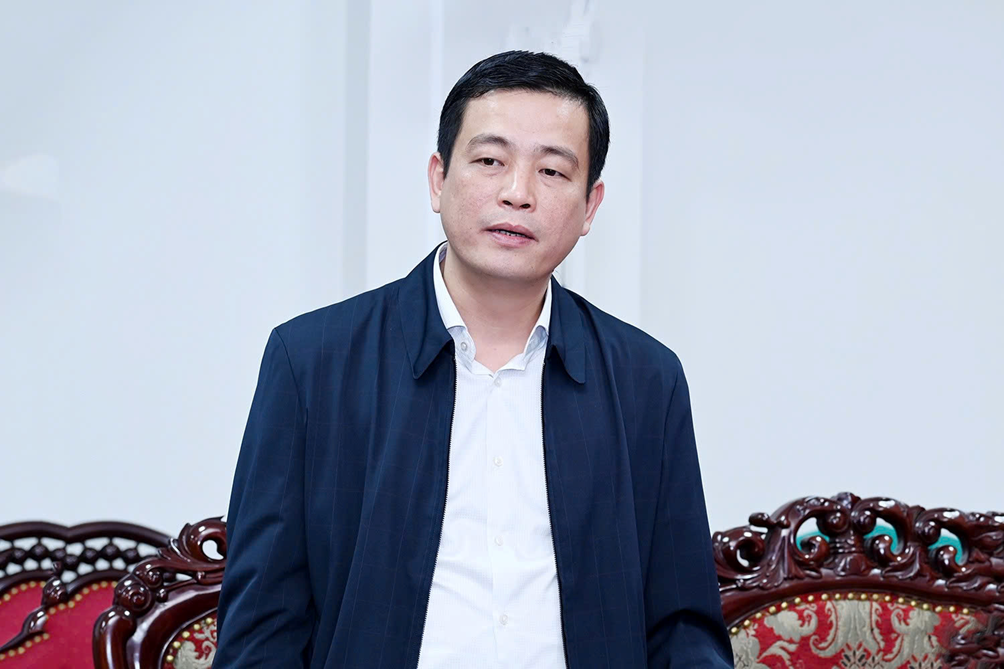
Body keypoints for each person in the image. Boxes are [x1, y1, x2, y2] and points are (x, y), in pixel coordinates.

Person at [214, 50, 733, 668]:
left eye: (552, 171)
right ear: (438, 179)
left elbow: (682, 630)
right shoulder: (312, 363)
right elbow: (262, 630)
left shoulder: (647, 380)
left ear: (590, 206)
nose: (517, 194)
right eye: (490, 161)